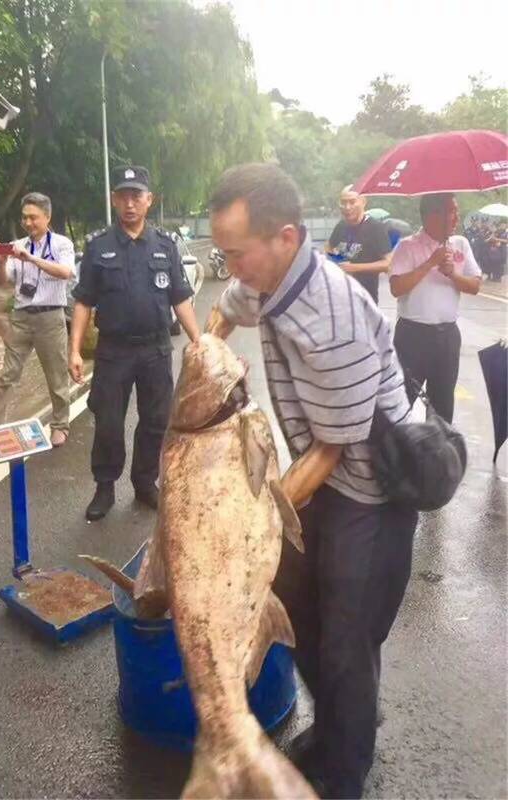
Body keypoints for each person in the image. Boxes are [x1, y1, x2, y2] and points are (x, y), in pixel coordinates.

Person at [205, 163, 418, 799]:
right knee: (296, 608)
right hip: (324, 478)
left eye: (235, 253)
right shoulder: (261, 278)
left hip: (371, 490)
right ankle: (340, 724)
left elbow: (334, 450)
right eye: (223, 253)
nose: (229, 266)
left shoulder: (333, 317)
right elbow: (226, 308)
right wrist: (209, 358)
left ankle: (344, 773)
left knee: (346, 640)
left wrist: (254, 520)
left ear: (286, 239)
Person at [69, 165, 200, 520]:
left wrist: (199, 341)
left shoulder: (165, 246)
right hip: (114, 351)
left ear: (148, 200)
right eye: (123, 196)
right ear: (114, 200)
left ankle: (145, 484)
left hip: (156, 349)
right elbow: (83, 300)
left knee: (156, 420)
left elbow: (180, 297)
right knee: (108, 422)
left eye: (136, 196)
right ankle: (105, 487)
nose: (130, 203)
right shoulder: (98, 246)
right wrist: (75, 350)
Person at [0, 192, 75, 447]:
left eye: (34, 217)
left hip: (50, 318)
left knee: (56, 375)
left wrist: (31, 259)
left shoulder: (61, 244)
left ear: (47, 217)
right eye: (25, 217)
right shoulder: (18, 245)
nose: (28, 222)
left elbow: (65, 272)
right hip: (21, 317)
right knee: (8, 374)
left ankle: (60, 425)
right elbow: (2, 282)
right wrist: (3, 261)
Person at [389, 193, 481, 424]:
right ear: (432, 216)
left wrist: (452, 273)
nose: (456, 218)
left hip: (447, 338)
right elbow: (397, 288)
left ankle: (437, 453)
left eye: (456, 211)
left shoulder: (460, 244)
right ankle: (396, 455)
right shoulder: (407, 246)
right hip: (412, 337)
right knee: (401, 402)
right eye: (451, 212)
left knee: (442, 405)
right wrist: (430, 262)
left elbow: (475, 286)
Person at [326, 185, 392, 304]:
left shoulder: (375, 228)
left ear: (363, 202)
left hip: (365, 300)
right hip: (340, 298)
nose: (347, 207)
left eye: (352, 202)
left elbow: (388, 264)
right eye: (343, 203)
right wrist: (335, 261)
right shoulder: (341, 226)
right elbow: (328, 248)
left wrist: (354, 268)